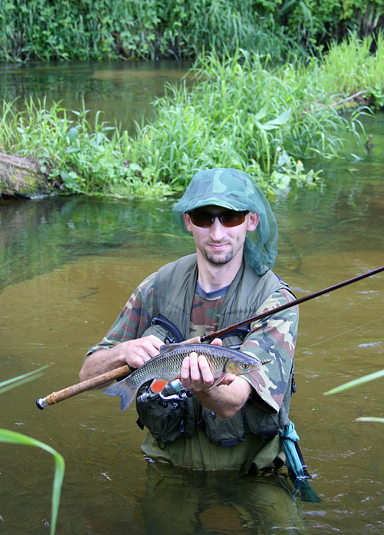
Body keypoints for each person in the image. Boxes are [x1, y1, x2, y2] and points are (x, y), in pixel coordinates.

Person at [80, 168, 309, 533]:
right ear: (189, 221)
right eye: (204, 218)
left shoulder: (275, 300)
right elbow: (88, 372)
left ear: (251, 221)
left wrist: (204, 388)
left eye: (230, 217)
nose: (217, 233)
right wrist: (124, 351)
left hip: (255, 474)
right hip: (169, 470)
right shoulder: (156, 288)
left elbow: (234, 399)